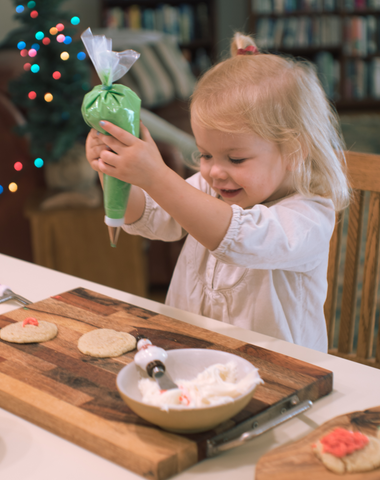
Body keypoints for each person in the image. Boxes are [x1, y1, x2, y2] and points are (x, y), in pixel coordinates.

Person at [85, 32, 350, 352]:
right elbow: (148, 218)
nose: (213, 171)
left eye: (235, 158)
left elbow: (239, 238)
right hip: (197, 354)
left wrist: (156, 176)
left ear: (294, 151)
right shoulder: (214, 187)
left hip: (278, 373)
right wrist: (113, 168)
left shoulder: (309, 218)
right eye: (205, 155)